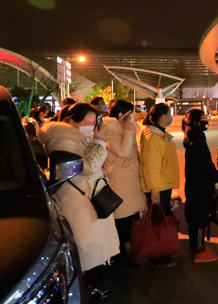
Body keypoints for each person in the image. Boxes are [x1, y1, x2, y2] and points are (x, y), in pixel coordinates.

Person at [39, 103, 119, 301]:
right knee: (87, 249)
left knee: (94, 247)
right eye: (87, 123)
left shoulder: (77, 139)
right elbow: (89, 167)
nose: (91, 127)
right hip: (77, 203)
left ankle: (95, 285)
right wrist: (99, 141)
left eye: (93, 123)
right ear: (70, 121)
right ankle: (90, 289)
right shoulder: (62, 142)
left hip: (86, 200)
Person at [103, 99, 146, 268]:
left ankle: (125, 255)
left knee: (129, 220)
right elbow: (122, 151)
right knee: (121, 221)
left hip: (129, 180)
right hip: (120, 180)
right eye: (130, 113)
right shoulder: (110, 128)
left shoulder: (122, 127)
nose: (133, 116)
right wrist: (128, 131)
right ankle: (119, 257)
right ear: (121, 115)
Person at [139, 103, 180, 267]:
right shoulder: (152, 137)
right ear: (163, 116)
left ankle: (163, 250)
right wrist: (154, 189)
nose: (170, 117)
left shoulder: (160, 134)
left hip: (163, 184)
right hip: (158, 186)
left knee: (162, 218)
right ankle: (158, 254)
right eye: (169, 114)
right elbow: (151, 166)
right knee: (158, 221)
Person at [182, 110, 218, 262]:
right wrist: (216, 177)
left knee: (194, 217)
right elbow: (205, 163)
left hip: (193, 184)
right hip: (201, 186)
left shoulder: (190, 136)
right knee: (200, 218)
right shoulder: (197, 138)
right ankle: (199, 250)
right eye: (203, 118)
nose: (206, 121)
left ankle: (195, 246)